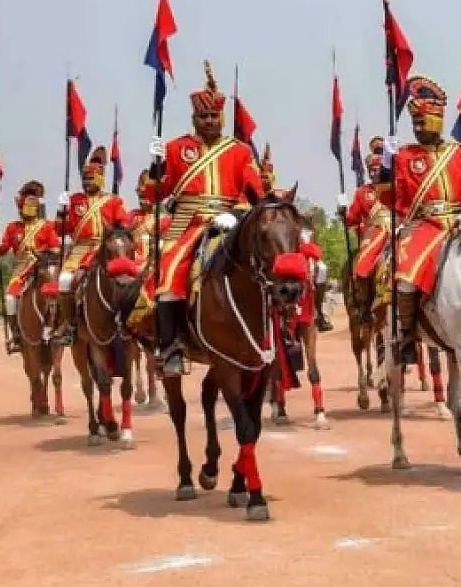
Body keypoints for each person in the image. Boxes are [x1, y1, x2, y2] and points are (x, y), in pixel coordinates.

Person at [145, 60, 264, 377]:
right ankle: (170, 347)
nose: (209, 121)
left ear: (222, 118)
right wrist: (156, 169)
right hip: (188, 225)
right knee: (168, 277)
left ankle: (278, 338)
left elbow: (254, 189)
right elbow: (155, 194)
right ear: (194, 118)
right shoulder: (176, 148)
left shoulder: (239, 151)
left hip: (229, 223)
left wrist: (236, 212)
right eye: (203, 116)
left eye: (214, 116)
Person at [386, 75, 461, 363]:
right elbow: (390, 199)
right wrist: (385, 169)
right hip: (425, 226)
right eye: (414, 123)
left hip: (460, 222)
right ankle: (406, 335)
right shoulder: (405, 156)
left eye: (422, 122)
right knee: (405, 274)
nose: (417, 128)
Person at [52, 147, 129, 344]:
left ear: (101, 179)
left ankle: (129, 320)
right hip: (80, 250)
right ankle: (70, 324)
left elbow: (124, 225)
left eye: (91, 178)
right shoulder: (75, 201)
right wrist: (61, 212)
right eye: (85, 179)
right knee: (65, 281)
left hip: (107, 249)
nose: (87, 182)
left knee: (126, 279)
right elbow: (61, 230)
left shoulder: (113, 201)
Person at [258, 144, 334, 331]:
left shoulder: (281, 196)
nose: (265, 180)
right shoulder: (254, 198)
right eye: (262, 176)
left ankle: (319, 311)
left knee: (321, 269)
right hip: (264, 247)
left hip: (288, 246)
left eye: (268, 176)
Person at [0, 180, 60, 353]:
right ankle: (15, 334)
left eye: (30, 204)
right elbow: (2, 251)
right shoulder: (13, 228)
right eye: (23, 205)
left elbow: (56, 249)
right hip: (21, 270)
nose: (25, 209)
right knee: (10, 299)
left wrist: (42, 255)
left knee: (55, 293)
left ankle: (54, 327)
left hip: (42, 267)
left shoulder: (46, 226)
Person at [339, 136, 391, 323]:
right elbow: (352, 219)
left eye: (378, 168)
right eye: (371, 169)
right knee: (362, 265)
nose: (374, 172)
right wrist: (343, 213)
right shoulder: (363, 192)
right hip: (374, 232)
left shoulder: (394, 186)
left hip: (395, 229)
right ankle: (365, 306)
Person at [128, 169, 170, 263]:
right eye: (141, 197)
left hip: (156, 265)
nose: (143, 201)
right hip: (133, 265)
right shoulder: (132, 216)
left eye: (146, 197)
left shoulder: (164, 219)